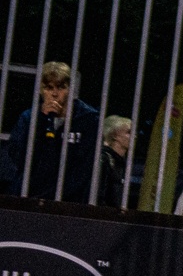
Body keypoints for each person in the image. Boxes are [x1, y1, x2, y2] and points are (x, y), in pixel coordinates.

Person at [1, 62, 101, 203]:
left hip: (70, 200)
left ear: (70, 89)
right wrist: (42, 120)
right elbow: (18, 156)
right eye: (49, 88)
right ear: (41, 90)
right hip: (31, 196)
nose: (54, 94)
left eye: (61, 87)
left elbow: (86, 167)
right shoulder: (29, 118)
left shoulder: (89, 119)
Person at [97, 115, 131, 209]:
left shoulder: (121, 162)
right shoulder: (104, 159)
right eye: (128, 132)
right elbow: (99, 195)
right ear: (114, 135)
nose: (134, 136)